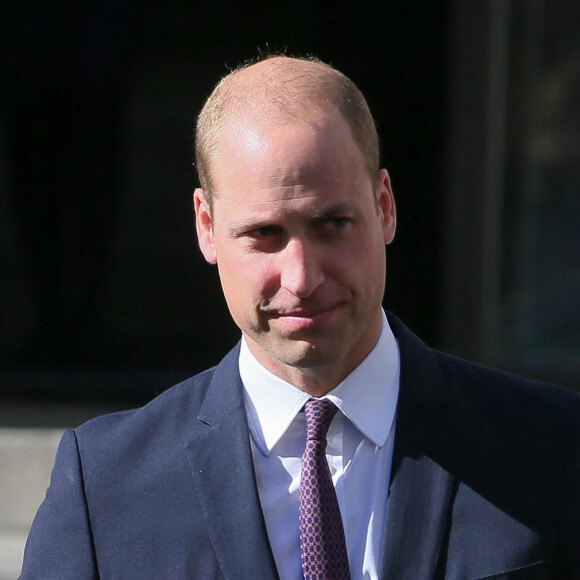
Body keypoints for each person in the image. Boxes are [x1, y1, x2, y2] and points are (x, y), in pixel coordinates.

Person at [20, 56, 580, 579]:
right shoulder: (106, 487)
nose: (302, 277)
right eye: (265, 234)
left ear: (384, 206)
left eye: (333, 224)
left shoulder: (551, 449)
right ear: (206, 227)